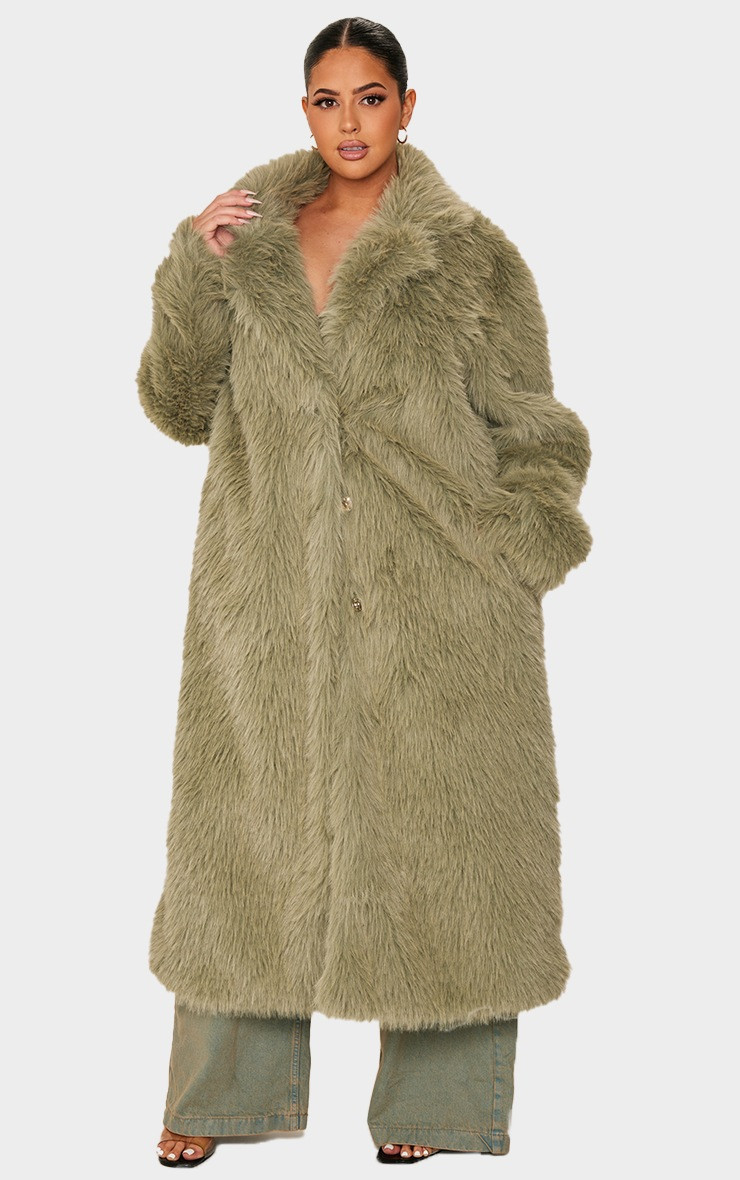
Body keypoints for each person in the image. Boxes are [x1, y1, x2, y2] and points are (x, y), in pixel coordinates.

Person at [137, 15, 592, 1169]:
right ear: (304, 111)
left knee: (445, 837)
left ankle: (436, 1110)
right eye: (328, 99)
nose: (350, 121)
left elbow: (533, 427)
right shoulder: (243, 245)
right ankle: (220, 1094)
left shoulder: (470, 255)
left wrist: (520, 539)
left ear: (406, 104)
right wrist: (191, 264)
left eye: (371, 96)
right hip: (266, 595)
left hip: (439, 591)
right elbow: (179, 406)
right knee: (244, 839)